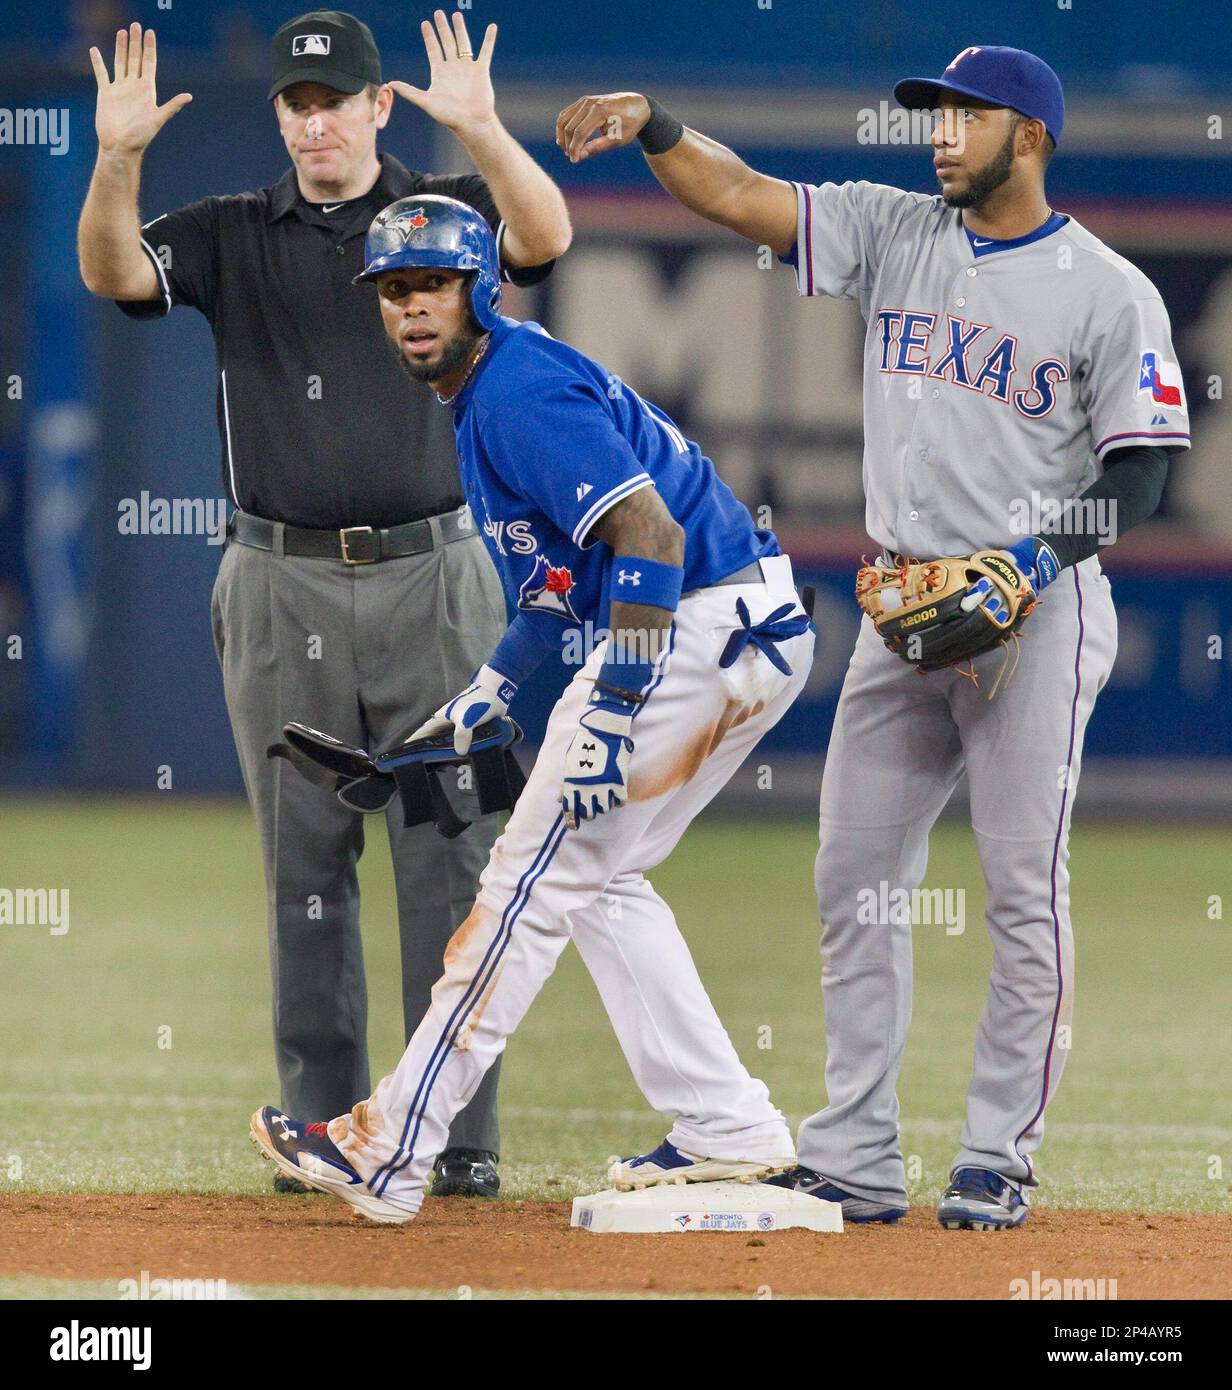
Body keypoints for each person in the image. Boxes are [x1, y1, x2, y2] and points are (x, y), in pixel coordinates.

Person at [555, 45, 1189, 1229]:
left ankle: (996, 1154)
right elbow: (737, 193)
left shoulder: (1106, 290)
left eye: (966, 118)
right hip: (902, 611)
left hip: (1033, 619)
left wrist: (1032, 558)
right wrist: (656, 124)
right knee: (853, 881)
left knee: (1018, 893)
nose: (941, 136)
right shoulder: (892, 231)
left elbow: (1143, 472)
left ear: (1032, 136)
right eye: (934, 117)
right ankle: (852, 1154)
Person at [78, 10, 571, 1198]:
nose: (315, 121)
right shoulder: (236, 230)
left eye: (336, 98)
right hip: (277, 569)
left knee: (451, 856)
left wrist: (490, 131)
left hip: (435, 569)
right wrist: (116, 158)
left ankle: (451, 1135)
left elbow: (545, 237)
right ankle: (324, 1128)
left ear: (377, 106)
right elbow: (112, 273)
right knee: (304, 864)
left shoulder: (444, 204)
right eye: (297, 103)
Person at [248, 194, 816, 1224]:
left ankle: (390, 1145)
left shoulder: (514, 392)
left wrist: (614, 710)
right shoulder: (483, 397)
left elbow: (650, 539)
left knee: (524, 881)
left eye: (433, 283)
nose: (412, 308)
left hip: (688, 624)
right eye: (393, 289)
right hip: (746, 631)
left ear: (480, 285)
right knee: (595, 877)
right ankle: (727, 1123)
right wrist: (491, 694)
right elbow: (560, 593)